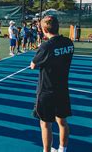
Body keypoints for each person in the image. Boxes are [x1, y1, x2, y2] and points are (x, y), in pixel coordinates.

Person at [30, 15, 74, 152]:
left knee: (45, 124)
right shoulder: (68, 42)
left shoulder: (46, 46)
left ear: (44, 29)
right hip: (62, 89)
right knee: (62, 121)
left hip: (47, 90)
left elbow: (33, 65)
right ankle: (62, 149)